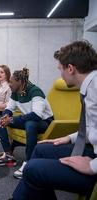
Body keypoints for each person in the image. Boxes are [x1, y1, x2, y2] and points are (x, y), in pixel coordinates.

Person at [11, 41, 97, 199]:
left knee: (32, 169)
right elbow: (93, 127)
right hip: (91, 150)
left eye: (60, 69)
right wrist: (68, 138)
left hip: (94, 163)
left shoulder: (95, 88)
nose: (60, 75)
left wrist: (93, 166)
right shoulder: (89, 86)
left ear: (70, 69)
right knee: (39, 149)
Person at [0, 68, 53, 179]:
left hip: (45, 122)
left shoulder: (35, 91)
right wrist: (6, 116)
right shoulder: (15, 92)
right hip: (29, 120)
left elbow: (37, 115)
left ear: (20, 82)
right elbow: (9, 108)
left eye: (11, 82)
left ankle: (29, 162)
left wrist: (11, 120)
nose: (9, 84)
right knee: (0, 120)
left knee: (30, 124)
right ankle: (8, 154)